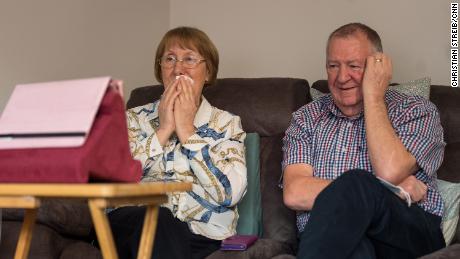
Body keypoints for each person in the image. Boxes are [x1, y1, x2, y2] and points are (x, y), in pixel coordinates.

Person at [282, 22, 446, 258]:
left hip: (405, 234)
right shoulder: (306, 118)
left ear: (377, 67)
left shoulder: (415, 110)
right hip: (332, 239)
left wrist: (373, 96)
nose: (341, 77)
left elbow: (390, 170)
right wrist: (392, 190)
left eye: (354, 66)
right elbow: (295, 193)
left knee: (356, 182)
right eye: (333, 66)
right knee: (354, 248)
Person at [108, 26, 247, 259]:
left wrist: (187, 132)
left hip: (199, 234)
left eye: (189, 59)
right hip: (133, 225)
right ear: (160, 68)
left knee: (165, 230)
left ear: (209, 71)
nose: (178, 69)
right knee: (157, 218)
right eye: (170, 59)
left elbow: (230, 193)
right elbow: (111, 180)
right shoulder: (132, 119)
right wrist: (163, 130)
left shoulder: (226, 124)